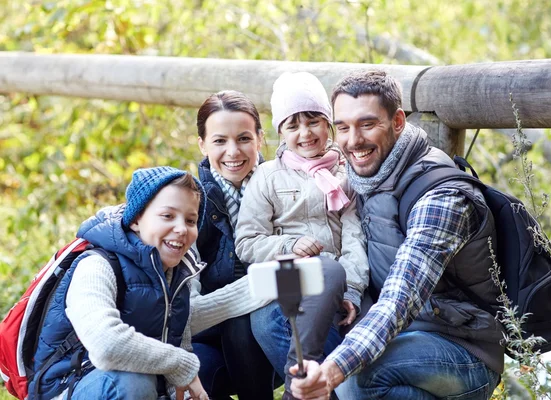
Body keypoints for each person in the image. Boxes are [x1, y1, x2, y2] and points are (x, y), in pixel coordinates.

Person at [289, 70, 504, 400]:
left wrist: (332, 371)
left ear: (398, 122)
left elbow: (398, 302)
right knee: (279, 324)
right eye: (343, 127)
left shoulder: (441, 198)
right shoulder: (362, 176)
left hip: (464, 349)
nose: (353, 140)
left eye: (367, 124)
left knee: (355, 379)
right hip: (405, 335)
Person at [235, 72, 369, 398]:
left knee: (333, 273)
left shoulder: (347, 173)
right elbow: (247, 241)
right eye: (293, 126)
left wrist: (351, 290)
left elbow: (355, 238)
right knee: (267, 322)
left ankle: (301, 389)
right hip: (287, 277)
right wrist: (289, 245)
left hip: (335, 284)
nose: (305, 133)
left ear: (329, 124)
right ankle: (305, 384)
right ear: (281, 132)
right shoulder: (267, 177)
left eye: (313, 122)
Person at [29, 166, 210, 400]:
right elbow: (106, 346)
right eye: (167, 216)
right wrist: (181, 365)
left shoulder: (177, 277)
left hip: (138, 387)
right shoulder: (97, 266)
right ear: (136, 219)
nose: (181, 229)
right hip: (71, 387)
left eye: (191, 220)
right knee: (132, 382)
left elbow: (178, 358)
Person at [193, 90, 277, 400]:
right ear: (202, 144)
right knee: (198, 372)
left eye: (243, 138)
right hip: (209, 330)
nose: (233, 152)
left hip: (274, 322)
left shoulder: (284, 187)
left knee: (242, 324)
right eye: (219, 141)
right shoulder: (192, 201)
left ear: (259, 138)